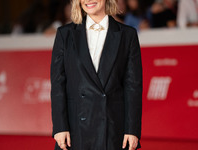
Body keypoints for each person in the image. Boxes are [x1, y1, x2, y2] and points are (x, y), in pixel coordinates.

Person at [50, 0, 142, 150]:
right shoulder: (65, 34)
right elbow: (58, 85)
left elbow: (133, 87)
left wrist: (132, 130)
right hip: (75, 130)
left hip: (113, 129)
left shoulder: (127, 35)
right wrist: (60, 127)